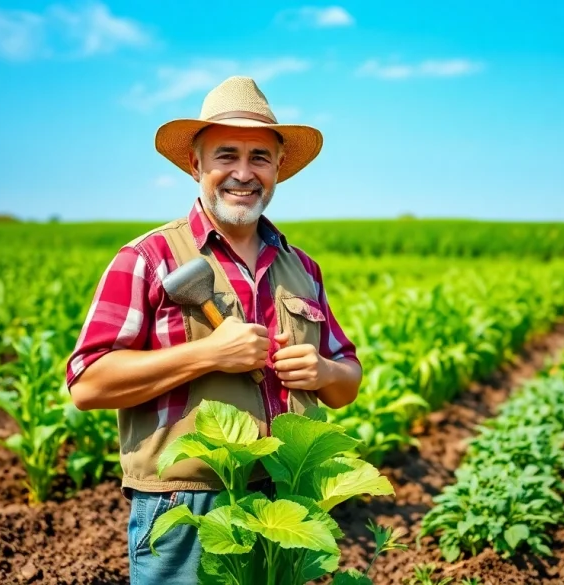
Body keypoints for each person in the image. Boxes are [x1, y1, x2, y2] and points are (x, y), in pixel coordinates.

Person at [65, 75, 363, 584]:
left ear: (278, 169)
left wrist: (322, 369)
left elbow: (348, 381)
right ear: (195, 164)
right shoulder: (148, 259)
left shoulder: (302, 268)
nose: (243, 174)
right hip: (185, 504)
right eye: (226, 156)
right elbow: (88, 383)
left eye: (259, 158)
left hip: (285, 499)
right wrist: (207, 355)